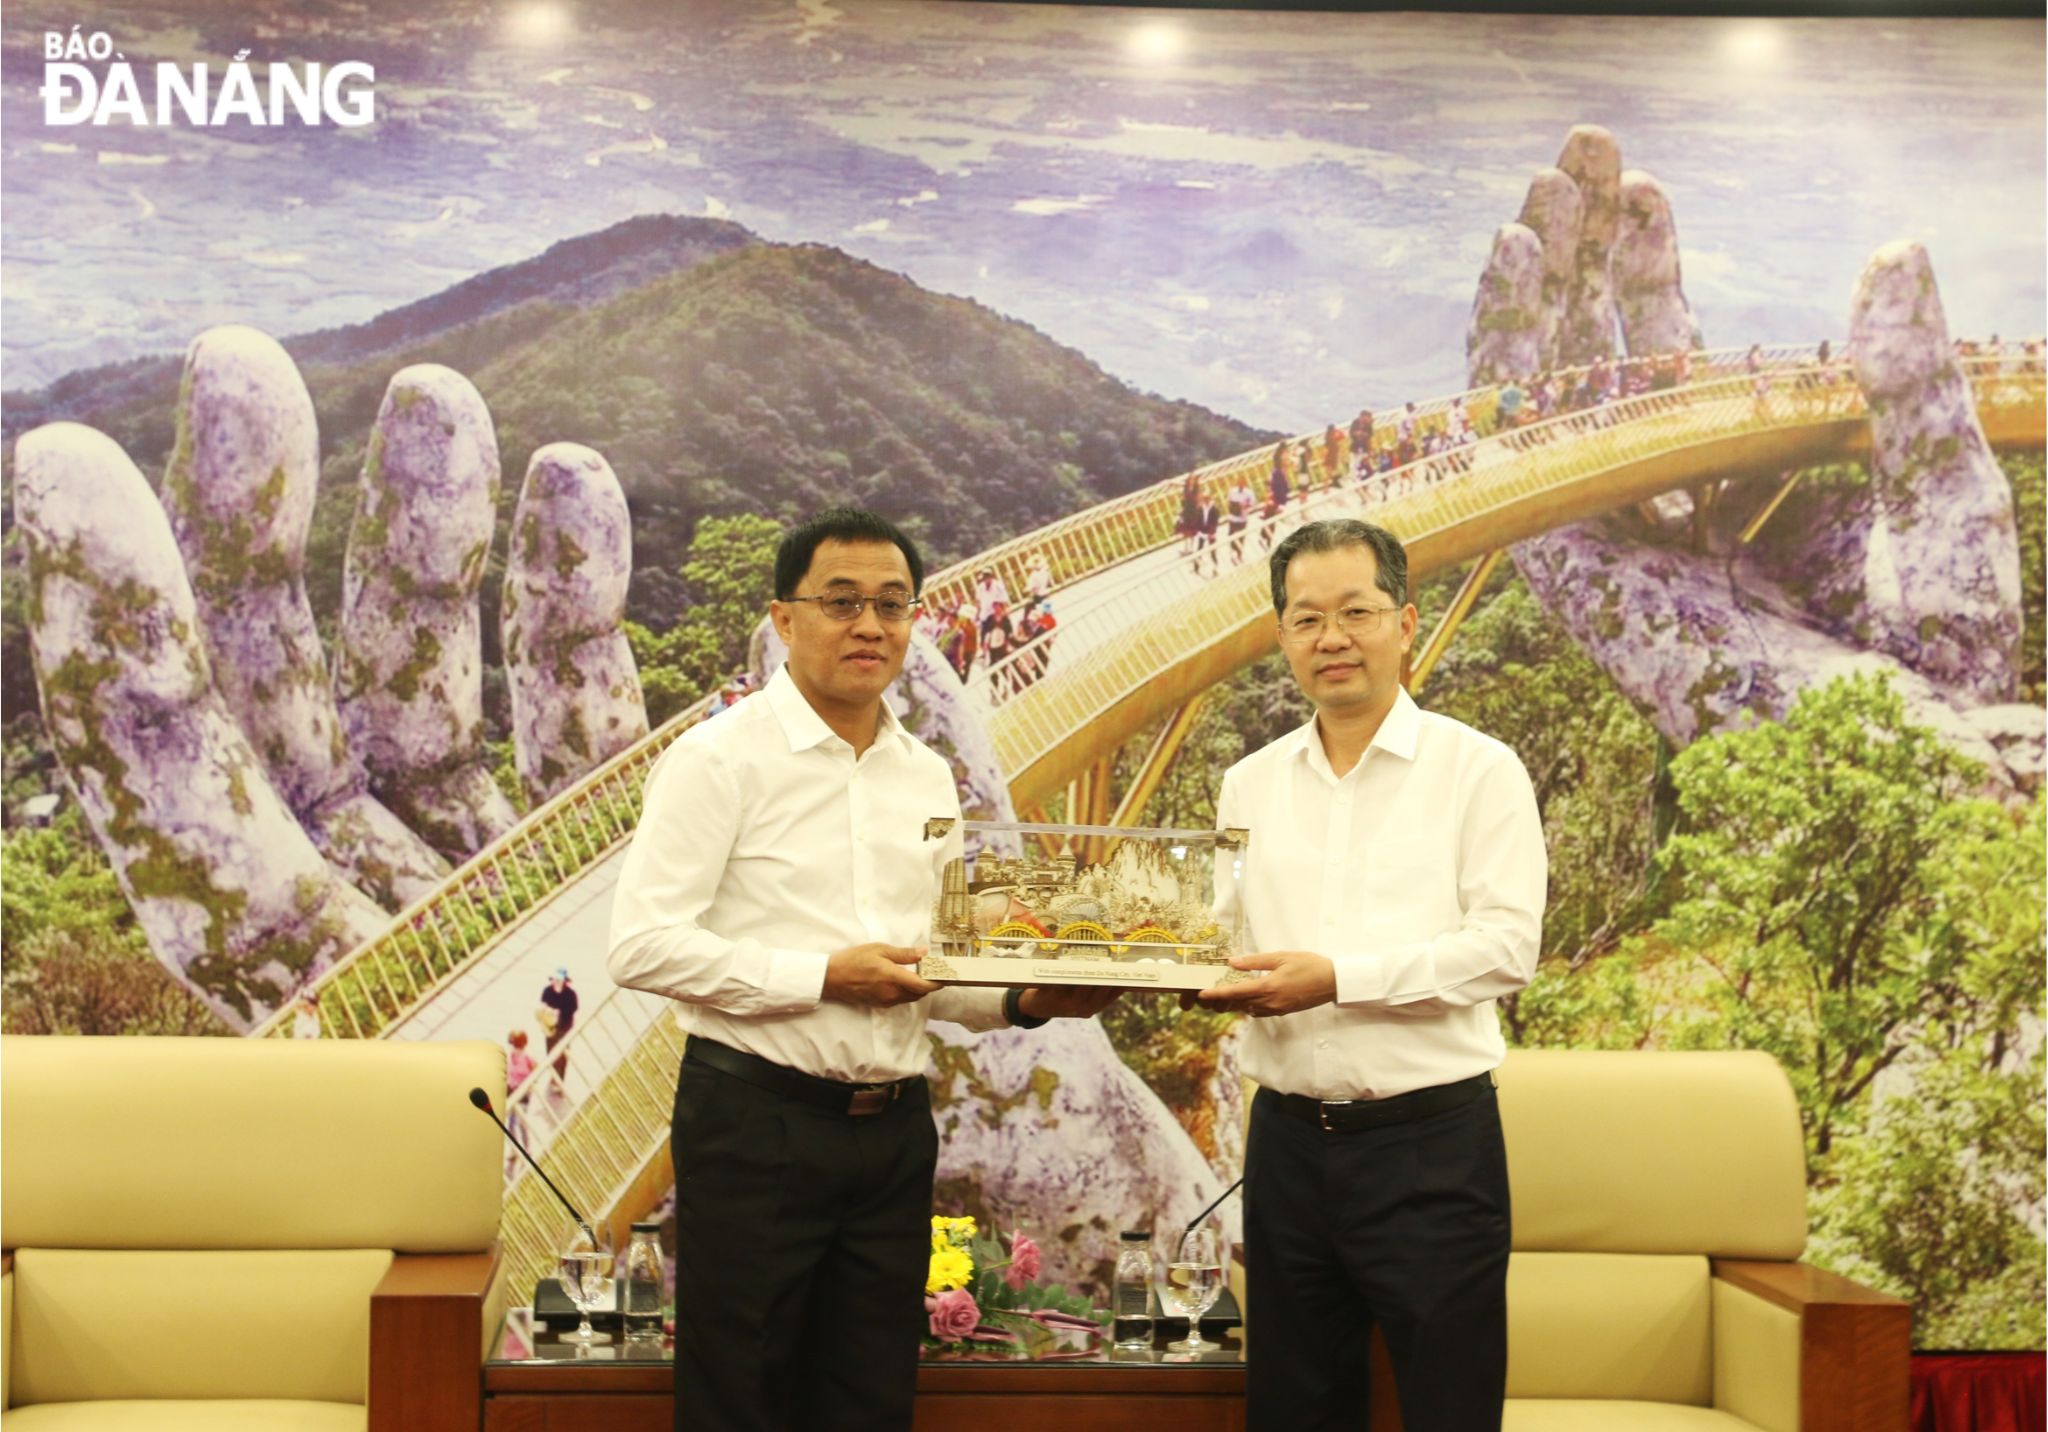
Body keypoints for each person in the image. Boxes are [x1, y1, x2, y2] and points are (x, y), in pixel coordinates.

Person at [609, 507, 1114, 1432]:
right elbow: (641, 945)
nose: (870, 626)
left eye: (892, 604)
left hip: (890, 1133)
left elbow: (927, 966)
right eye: (840, 603)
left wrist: (1028, 998)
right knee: (741, 1395)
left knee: (871, 1394)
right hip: (756, 1121)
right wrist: (822, 976)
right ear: (783, 618)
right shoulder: (716, 760)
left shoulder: (922, 774)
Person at [1200, 519, 1546, 1432]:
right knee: (1293, 1406)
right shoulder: (1250, 784)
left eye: (1356, 611)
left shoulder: (1480, 771)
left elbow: (1507, 948)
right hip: (1285, 1147)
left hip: (1430, 1146)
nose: (1333, 639)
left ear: (1406, 620)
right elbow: (1216, 940)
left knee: (1449, 1406)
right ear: (1282, 637)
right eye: (1307, 618)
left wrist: (1336, 978)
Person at [539, 967, 578, 1079]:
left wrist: (559, 1012)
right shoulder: (547, 990)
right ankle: (553, 1074)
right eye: (555, 979)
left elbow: (574, 1008)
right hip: (550, 1027)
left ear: (564, 981)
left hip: (564, 1026)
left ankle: (560, 1076)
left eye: (559, 980)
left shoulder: (570, 994)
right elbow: (543, 1004)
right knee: (550, 1051)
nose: (556, 982)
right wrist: (547, 1010)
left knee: (562, 1052)